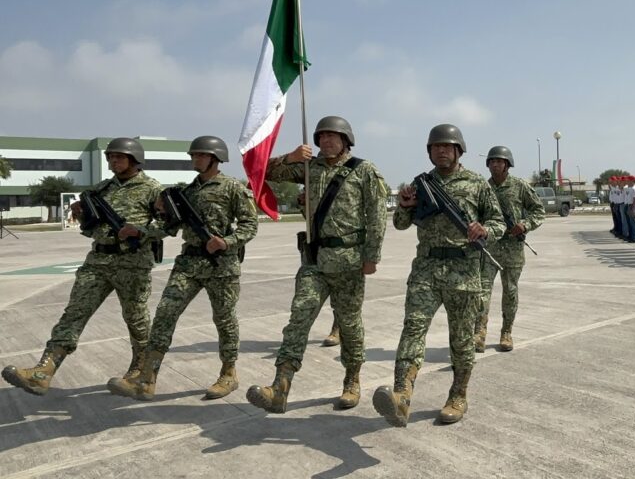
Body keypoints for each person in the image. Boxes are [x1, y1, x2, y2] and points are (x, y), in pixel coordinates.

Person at [247, 116, 388, 413]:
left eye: (332, 136)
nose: (325, 141)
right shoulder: (308, 169)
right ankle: (279, 388)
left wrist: (371, 256)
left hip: (349, 263)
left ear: (346, 140)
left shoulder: (363, 170)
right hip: (313, 261)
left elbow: (376, 216)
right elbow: (260, 170)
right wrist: (290, 156)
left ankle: (352, 380)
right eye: (321, 136)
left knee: (349, 325)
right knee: (299, 318)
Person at [3, 138, 163, 396]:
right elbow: (92, 229)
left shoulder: (152, 189)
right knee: (74, 313)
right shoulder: (101, 189)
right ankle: (43, 372)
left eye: (119, 157)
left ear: (134, 159)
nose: (113, 161)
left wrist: (140, 230)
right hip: (98, 262)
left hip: (132, 264)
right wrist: (84, 215)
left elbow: (168, 225)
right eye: (110, 157)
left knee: (136, 319)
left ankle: (142, 375)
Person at [107, 136, 258, 400]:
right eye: (193, 156)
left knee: (224, 319)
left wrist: (226, 241)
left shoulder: (233, 188)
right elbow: (169, 228)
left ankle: (228, 373)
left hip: (221, 265)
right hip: (188, 263)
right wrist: (146, 225)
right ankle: (146, 379)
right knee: (165, 314)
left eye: (200, 155)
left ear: (215, 158)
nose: (195, 160)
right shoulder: (186, 192)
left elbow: (250, 225)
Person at [373, 124, 504, 427]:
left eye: (447, 146)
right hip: (426, 270)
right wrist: (405, 206)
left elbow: (497, 221)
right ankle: (401, 396)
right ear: (429, 151)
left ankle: (458, 395)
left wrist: (484, 229)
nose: (441, 150)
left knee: (461, 340)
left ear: (459, 150)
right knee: (413, 330)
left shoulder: (477, 184)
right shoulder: (421, 185)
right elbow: (402, 223)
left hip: (464, 272)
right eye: (436, 147)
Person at [475, 145, 545, 353]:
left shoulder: (520, 186)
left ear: (507, 164)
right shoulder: (483, 187)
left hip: (513, 250)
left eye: (499, 161)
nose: (495, 164)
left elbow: (538, 210)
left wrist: (525, 225)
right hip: (489, 249)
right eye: (492, 161)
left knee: (510, 292)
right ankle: (479, 333)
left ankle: (507, 332)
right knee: (481, 291)